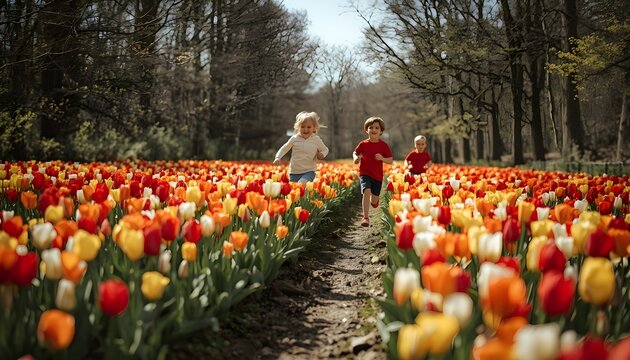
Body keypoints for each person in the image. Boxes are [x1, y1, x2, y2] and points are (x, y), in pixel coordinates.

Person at [353, 116, 393, 227]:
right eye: (371, 127)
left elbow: (390, 160)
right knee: (366, 191)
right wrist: (356, 159)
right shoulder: (363, 144)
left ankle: (374, 202)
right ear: (367, 130)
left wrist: (382, 159)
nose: (374, 130)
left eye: (376, 128)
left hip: (377, 176)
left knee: (374, 200)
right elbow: (355, 153)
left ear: (381, 131)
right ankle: (365, 217)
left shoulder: (383, 145)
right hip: (365, 173)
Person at [274, 111, 329, 183]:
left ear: (314, 128)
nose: (306, 129)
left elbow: (325, 149)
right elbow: (284, 148)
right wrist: (278, 157)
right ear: (298, 127)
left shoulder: (316, 139)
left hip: (309, 171)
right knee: (297, 192)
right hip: (294, 172)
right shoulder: (294, 138)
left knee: (301, 184)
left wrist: (322, 154)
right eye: (303, 127)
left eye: (309, 127)